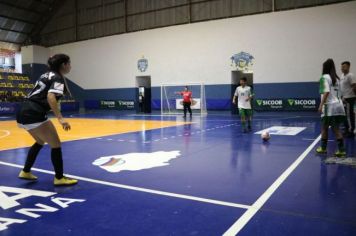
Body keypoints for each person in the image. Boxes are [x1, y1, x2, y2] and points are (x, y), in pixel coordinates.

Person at [16, 54, 78, 186]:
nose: (71, 66)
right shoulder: (58, 78)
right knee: (56, 144)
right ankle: (59, 178)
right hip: (34, 112)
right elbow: (51, 97)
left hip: (23, 111)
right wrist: (60, 119)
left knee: (39, 141)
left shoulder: (46, 74)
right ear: (63, 65)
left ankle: (26, 171)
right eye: (69, 63)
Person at [316, 59, 346, 157]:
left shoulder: (324, 77)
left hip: (329, 107)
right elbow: (341, 94)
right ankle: (340, 149)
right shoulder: (337, 79)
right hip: (339, 106)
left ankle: (325, 149)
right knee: (334, 128)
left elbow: (326, 92)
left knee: (326, 128)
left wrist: (321, 105)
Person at [340, 61, 356, 138]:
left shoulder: (351, 76)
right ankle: (347, 129)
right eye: (342, 67)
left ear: (348, 67)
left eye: (344, 66)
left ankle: (351, 131)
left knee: (349, 115)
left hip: (350, 98)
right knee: (344, 115)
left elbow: (354, 86)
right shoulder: (342, 76)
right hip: (344, 98)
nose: (342, 68)